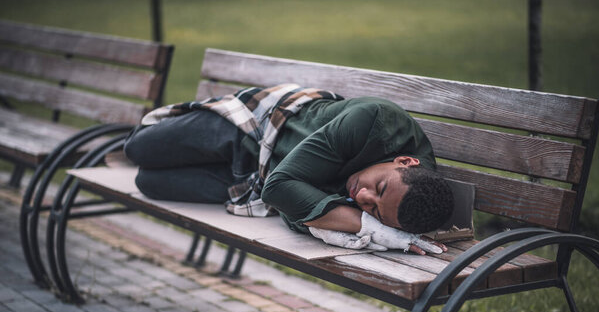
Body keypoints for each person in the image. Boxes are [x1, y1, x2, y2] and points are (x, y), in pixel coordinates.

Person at [124, 84, 453, 255]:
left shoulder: (409, 201)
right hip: (254, 128)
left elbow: (295, 215)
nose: (362, 196)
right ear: (406, 161)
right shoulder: (375, 119)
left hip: (251, 181)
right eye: (379, 187)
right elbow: (282, 189)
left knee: (147, 181)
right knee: (136, 149)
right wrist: (374, 227)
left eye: (373, 210)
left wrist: (368, 223)